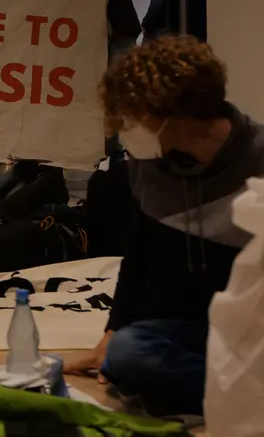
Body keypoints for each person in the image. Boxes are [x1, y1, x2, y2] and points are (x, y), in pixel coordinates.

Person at [65, 37, 263, 417]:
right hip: (186, 331)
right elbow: (137, 252)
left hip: (252, 331)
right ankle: (242, 396)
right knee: (127, 354)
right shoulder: (147, 165)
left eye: (132, 116)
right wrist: (112, 331)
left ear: (170, 113)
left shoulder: (258, 157)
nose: (124, 128)